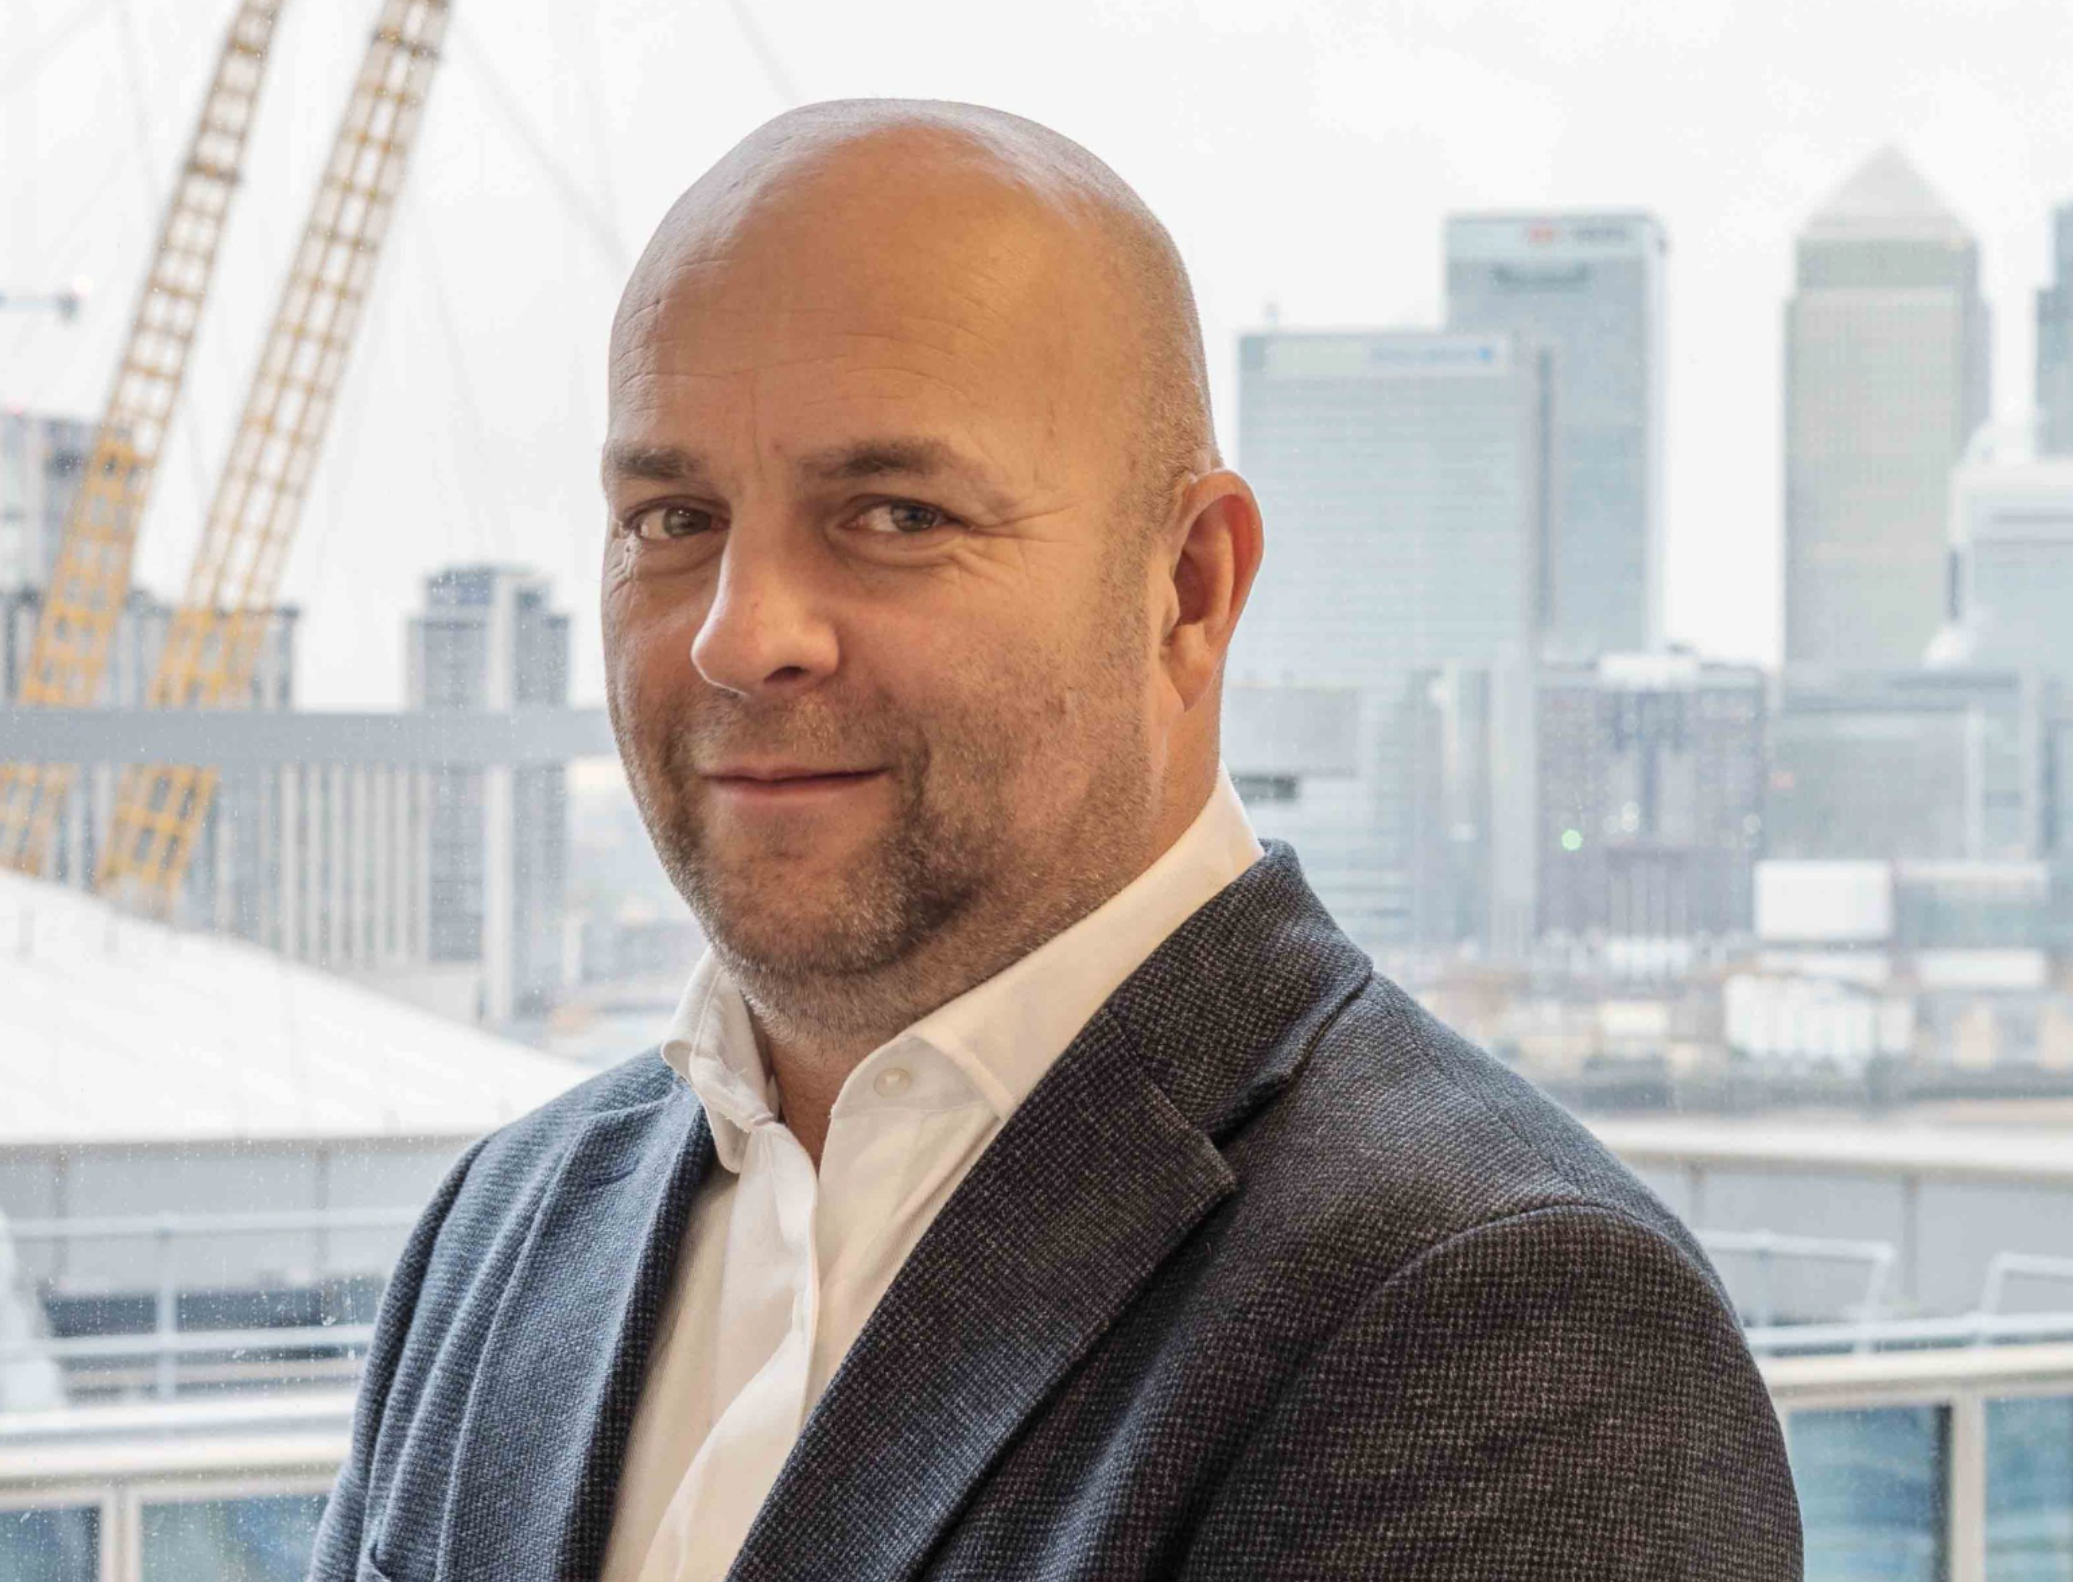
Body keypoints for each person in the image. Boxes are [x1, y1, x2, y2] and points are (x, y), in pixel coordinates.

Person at [310, 100, 1802, 1582]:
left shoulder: (1502, 1324)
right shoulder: (506, 1230)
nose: (739, 631)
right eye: (671, 516)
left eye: (892, 513)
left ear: (1189, 589)